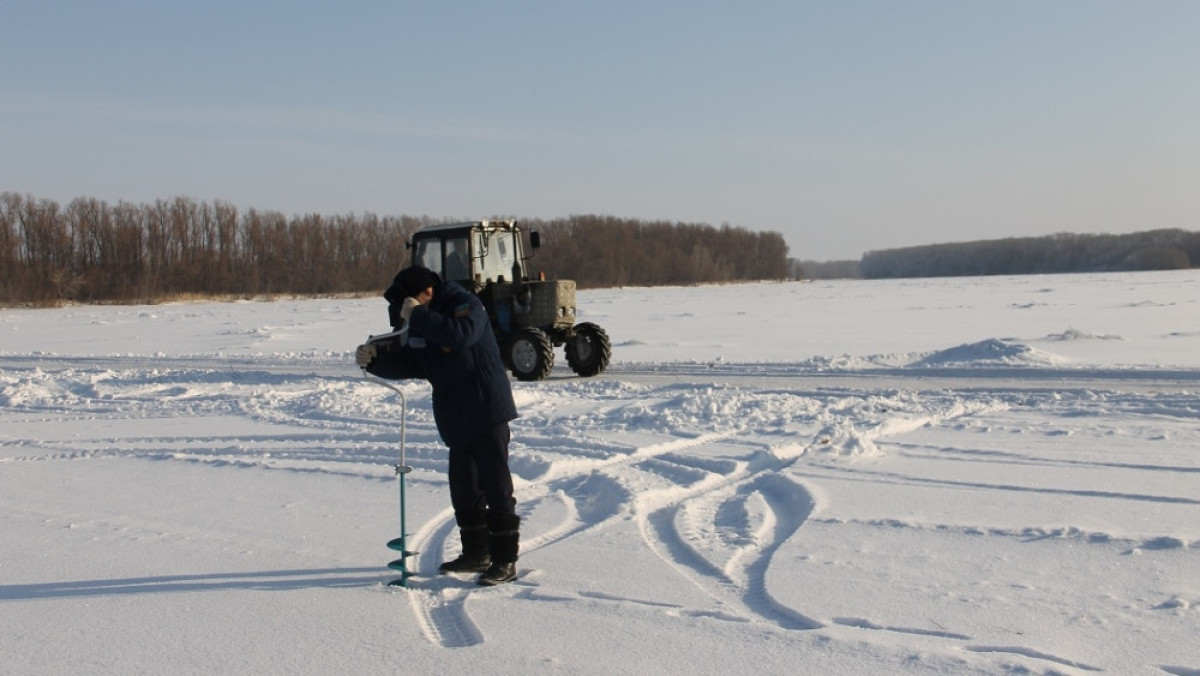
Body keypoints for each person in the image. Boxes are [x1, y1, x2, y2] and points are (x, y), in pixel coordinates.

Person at [355, 265, 521, 586]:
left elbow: (460, 336)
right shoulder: (423, 322)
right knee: (464, 488)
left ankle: (505, 560)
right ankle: (477, 553)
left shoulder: (465, 306)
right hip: (456, 414)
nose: (404, 309)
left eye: (408, 302)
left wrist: (417, 316)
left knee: (496, 485)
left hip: (487, 410)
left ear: (427, 292)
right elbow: (415, 362)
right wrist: (376, 361)